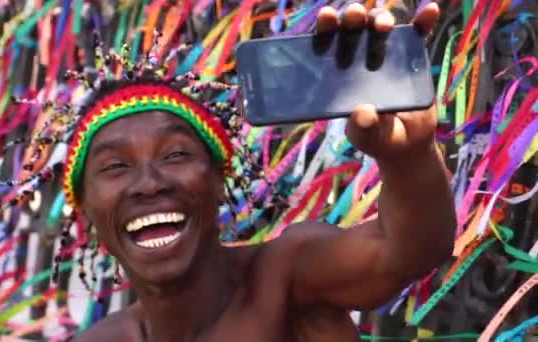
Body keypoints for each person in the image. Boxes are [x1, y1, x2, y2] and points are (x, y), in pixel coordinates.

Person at [67, 3, 456, 341]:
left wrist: (410, 158)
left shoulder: (288, 279)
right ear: (84, 209)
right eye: (115, 166)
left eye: (174, 155)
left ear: (218, 180)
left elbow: (407, 252)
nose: (149, 183)